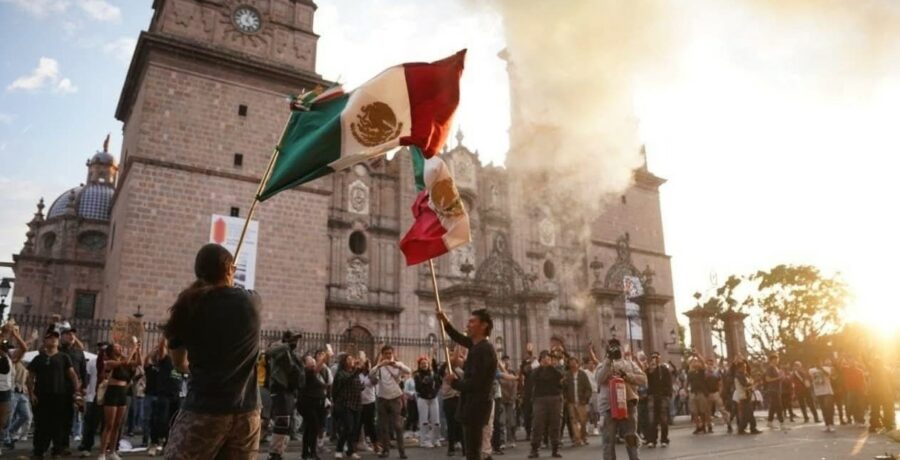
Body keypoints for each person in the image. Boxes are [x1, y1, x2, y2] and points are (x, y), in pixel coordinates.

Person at [163, 243, 262, 459]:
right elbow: (236, 291)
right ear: (229, 270)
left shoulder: (187, 306)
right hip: (246, 412)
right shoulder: (252, 301)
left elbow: (180, 364)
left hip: (204, 409)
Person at [436, 309, 498, 460]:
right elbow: (459, 338)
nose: (468, 325)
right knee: (472, 451)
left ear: (483, 325)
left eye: (472, 321)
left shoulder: (484, 350)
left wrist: (454, 382)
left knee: (473, 452)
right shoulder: (476, 346)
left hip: (477, 406)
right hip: (471, 405)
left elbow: (476, 384)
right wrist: (445, 322)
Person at [27, 328, 82, 459]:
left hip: (60, 395)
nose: (54, 339)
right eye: (50, 337)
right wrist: (31, 393)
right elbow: (30, 377)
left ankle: (57, 450)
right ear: (45, 341)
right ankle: (38, 451)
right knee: (41, 424)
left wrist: (77, 392)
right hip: (41, 395)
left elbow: (73, 375)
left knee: (58, 424)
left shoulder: (64, 357)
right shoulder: (38, 358)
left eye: (56, 338)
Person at [593, 338, 646, 460]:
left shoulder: (630, 364)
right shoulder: (602, 365)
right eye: (611, 347)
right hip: (608, 407)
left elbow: (643, 379)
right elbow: (599, 380)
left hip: (627, 405)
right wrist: (608, 361)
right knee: (608, 440)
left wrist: (627, 376)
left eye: (617, 347)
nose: (615, 349)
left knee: (631, 436)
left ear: (621, 349)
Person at [266, 331, 303, 460]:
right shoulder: (279, 349)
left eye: (296, 341)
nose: (295, 343)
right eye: (292, 340)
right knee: (282, 421)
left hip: (290, 391)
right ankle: (274, 453)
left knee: (288, 424)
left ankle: (279, 451)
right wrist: (286, 344)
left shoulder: (293, 354)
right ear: (286, 340)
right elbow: (269, 352)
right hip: (280, 388)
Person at [370, 345, 410, 459]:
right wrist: (379, 365)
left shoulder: (397, 365)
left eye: (390, 353)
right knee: (383, 426)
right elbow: (371, 374)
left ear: (393, 354)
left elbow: (408, 371)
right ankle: (385, 451)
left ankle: (402, 452)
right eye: (386, 353)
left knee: (398, 426)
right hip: (382, 398)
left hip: (395, 398)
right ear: (382, 355)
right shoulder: (380, 367)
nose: (388, 355)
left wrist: (397, 364)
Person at [0, 324, 27, 455]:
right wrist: (4, 332)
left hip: (6, 390)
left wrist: (16, 335)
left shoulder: (10, 358)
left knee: (3, 420)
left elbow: (24, 348)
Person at [333, 353, 364, 459]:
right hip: (346, 403)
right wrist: (357, 372)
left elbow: (358, 385)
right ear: (344, 362)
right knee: (348, 427)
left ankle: (351, 451)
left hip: (357, 403)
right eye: (349, 359)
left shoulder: (353, 373)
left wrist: (361, 385)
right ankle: (339, 449)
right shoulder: (341, 373)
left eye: (352, 358)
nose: (352, 360)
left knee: (355, 429)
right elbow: (346, 381)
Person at [299, 352, 328, 460]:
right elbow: (316, 369)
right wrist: (324, 358)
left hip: (315, 404)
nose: (313, 361)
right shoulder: (306, 372)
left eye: (313, 360)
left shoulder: (313, 374)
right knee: (314, 428)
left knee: (309, 428)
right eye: (310, 360)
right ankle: (312, 452)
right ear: (304, 364)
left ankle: (305, 452)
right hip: (308, 405)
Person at [439, 350, 465, 457]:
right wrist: (457, 349)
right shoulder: (446, 368)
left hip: (460, 398)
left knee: (462, 424)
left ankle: (464, 447)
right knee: (451, 424)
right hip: (449, 398)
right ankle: (451, 447)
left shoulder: (462, 370)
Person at [413, 355, 441, 449]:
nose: (424, 365)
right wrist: (423, 383)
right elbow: (417, 388)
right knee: (424, 421)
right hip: (423, 399)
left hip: (433, 398)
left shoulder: (433, 374)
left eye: (426, 363)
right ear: (419, 365)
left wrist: (434, 392)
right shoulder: (417, 375)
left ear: (428, 364)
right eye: (422, 363)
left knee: (436, 421)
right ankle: (424, 441)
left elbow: (438, 384)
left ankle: (435, 439)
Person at [562, 357, 591, 447]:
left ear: (578, 364)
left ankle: (583, 437)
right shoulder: (567, 375)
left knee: (583, 421)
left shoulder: (583, 375)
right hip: (571, 401)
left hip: (581, 401)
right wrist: (565, 398)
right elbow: (563, 388)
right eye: (571, 364)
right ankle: (577, 439)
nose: (573, 365)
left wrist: (586, 398)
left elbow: (588, 388)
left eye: (575, 363)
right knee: (573, 420)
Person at [645, 352, 672, 448]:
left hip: (662, 396)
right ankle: (652, 440)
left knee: (663, 419)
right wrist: (650, 369)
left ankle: (664, 439)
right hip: (652, 396)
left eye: (656, 357)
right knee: (652, 419)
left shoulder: (664, 369)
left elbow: (669, 382)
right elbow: (646, 380)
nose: (655, 359)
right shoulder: (649, 370)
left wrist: (668, 394)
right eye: (653, 357)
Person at [732, 359, 760, 435]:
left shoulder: (744, 375)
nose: (745, 368)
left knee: (747, 414)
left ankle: (745, 428)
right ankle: (748, 428)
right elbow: (745, 385)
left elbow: (750, 381)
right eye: (743, 367)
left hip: (747, 395)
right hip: (743, 396)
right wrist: (752, 385)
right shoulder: (739, 376)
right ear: (739, 367)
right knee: (748, 413)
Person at [809, 359, 835, 432]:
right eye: (816, 362)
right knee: (823, 409)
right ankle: (827, 425)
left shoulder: (827, 368)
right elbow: (811, 379)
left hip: (827, 391)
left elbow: (828, 374)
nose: (818, 363)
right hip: (818, 392)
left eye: (819, 362)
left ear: (822, 363)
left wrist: (821, 368)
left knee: (828, 409)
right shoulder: (811, 370)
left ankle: (831, 424)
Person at [686, 358, 709, 434]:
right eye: (693, 362)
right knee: (694, 411)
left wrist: (698, 355)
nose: (695, 363)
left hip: (701, 392)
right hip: (693, 392)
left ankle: (703, 426)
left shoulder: (701, 371)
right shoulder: (690, 373)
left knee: (703, 411)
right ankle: (697, 426)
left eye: (696, 362)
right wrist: (686, 390)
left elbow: (703, 364)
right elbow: (687, 382)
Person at [764, 354, 786, 431]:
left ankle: (769, 422)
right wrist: (778, 378)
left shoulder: (776, 368)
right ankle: (782, 423)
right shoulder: (770, 368)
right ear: (771, 360)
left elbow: (779, 379)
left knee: (773, 407)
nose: (777, 361)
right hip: (773, 390)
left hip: (777, 389)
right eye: (775, 359)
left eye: (777, 359)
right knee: (779, 406)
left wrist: (781, 377)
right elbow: (767, 379)